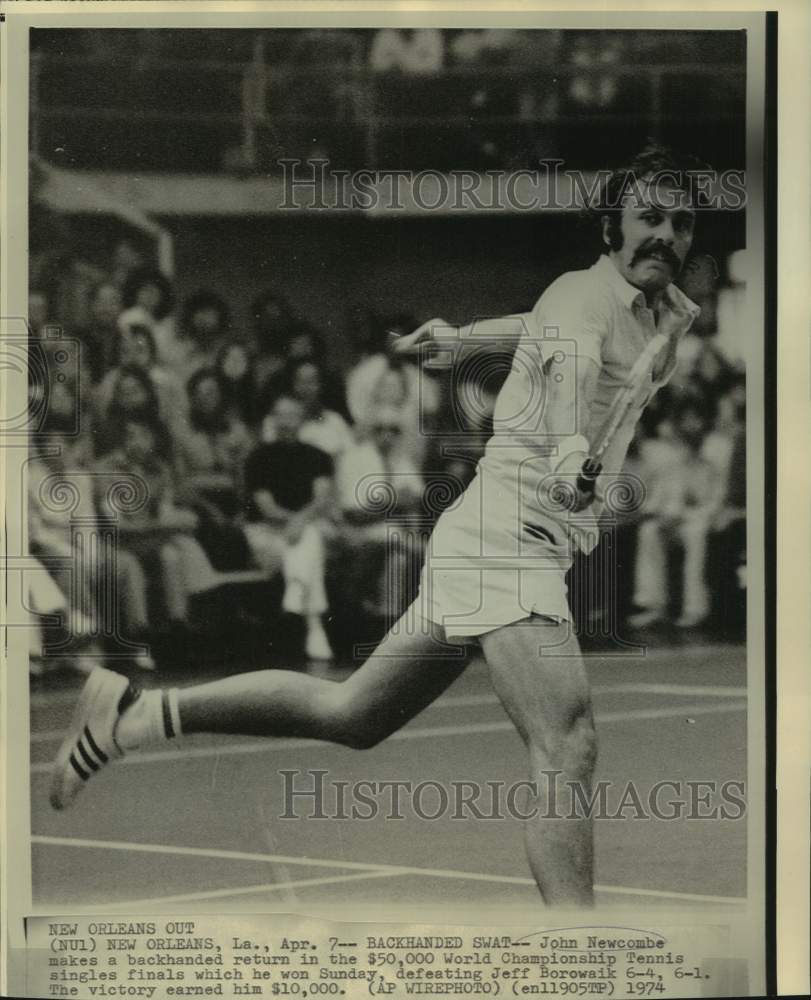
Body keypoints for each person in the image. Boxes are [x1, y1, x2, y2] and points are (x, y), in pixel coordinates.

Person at [50, 145, 705, 908]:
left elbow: (539, 326)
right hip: (505, 541)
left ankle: (135, 715)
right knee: (567, 744)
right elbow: (571, 359)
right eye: (647, 218)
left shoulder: (663, 311)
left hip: (514, 542)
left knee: (352, 713)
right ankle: (579, 958)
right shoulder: (582, 300)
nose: (664, 235)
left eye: (681, 222)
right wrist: (566, 456)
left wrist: (464, 339)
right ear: (609, 229)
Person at [243, 394, 336, 661]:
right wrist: (296, 522)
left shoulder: (317, 456)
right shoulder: (258, 457)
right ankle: (314, 625)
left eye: (292, 415)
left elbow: (321, 499)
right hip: (266, 530)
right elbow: (267, 508)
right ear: (272, 419)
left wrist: (299, 521)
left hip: (304, 528)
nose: (286, 422)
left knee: (310, 536)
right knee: (311, 539)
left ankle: (297, 592)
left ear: (302, 420)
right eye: (281, 416)